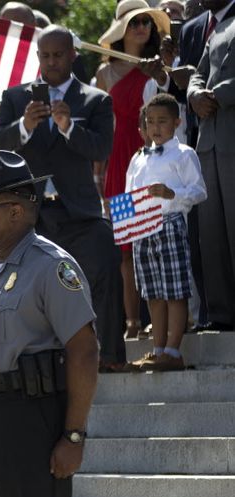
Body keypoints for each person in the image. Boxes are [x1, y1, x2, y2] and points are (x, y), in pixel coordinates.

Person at [0, 150, 98, 497]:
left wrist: (74, 436)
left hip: (29, 419)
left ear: (16, 211)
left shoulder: (51, 266)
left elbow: (84, 351)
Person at [0, 25, 124, 371]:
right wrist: (24, 127)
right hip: (30, 216)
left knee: (104, 267)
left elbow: (102, 147)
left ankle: (109, 356)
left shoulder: (95, 99)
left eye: (59, 54)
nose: (52, 61)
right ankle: (34, 360)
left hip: (78, 211)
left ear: (72, 55)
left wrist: (68, 128)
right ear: (38, 57)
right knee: (25, 287)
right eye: (45, 55)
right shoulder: (17, 98)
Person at [95, 0, 171, 339]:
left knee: (154, 238)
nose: (142, 27)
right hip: (117, 163)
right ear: (121, 30)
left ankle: (163, 319)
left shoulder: (159, 68)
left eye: (146, 21)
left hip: (151, 160)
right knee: (126, 249)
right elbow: (99, 126)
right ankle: (132, 322)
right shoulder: (104, 73)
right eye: (135, 21)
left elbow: (170, 110)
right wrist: (98, 169)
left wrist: (164, 72)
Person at [123, 94, 207, 371]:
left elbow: (199, 191)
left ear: (177, 123)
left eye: (162, 121)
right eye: (150, 122)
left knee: (175, 291)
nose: (155, 128)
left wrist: (172, 193)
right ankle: (158, 350)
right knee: (153, 293)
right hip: (142, 230)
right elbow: (129, 193)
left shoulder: (184, 154)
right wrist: (126, 219)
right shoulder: (138, 159)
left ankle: (173, 351)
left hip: (170, 223)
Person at [187, 15, 235, 329]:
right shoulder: (218, 28)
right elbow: (196, 74)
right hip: (209, 143)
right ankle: (220, 313)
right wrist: (194, 95)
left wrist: (218, 94)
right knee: (212, 232)